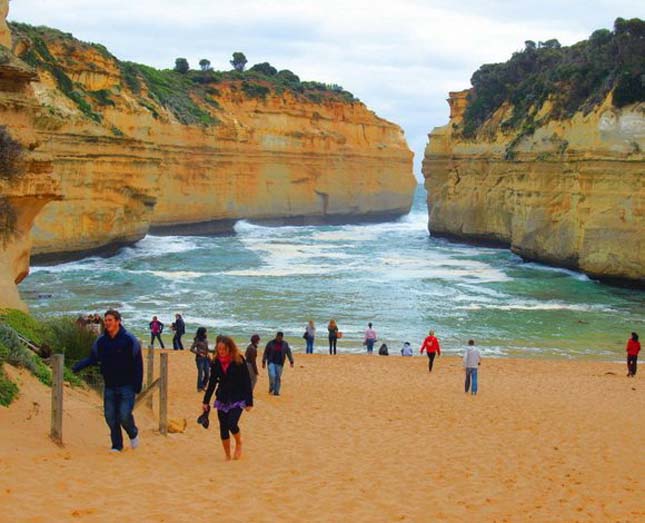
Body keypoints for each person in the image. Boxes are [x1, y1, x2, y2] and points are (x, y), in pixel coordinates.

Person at [72, 309, 143, 452]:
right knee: (110, 417)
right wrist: (76, 367)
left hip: (127, 386)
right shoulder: (101, 341)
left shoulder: (129, 340)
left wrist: (137, 386)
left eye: (110, 320)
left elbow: (138, 363)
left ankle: (133, 433)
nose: (107, 323)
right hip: (110, 385)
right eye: (106, 320)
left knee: (124, 416)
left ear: (118, 322)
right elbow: (93, 358)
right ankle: (117, 445)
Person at [202, 336, 253, 460]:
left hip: (238, 397)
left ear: (229, 348)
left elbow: (247, 381)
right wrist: (206, 401)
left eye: (223, 349)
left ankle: (239, 443)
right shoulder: (216, 362)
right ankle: (227, 455)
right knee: (223, 426)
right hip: (222, 397)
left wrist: (249, 401)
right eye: (219, 349)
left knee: (232, 423)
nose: (221, 352)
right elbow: (212, 382)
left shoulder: (239, 360)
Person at [262, 331, 294, 396]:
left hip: (280, 363)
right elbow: (265, 352)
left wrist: (291, 361)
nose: (279, 339)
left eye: (280, 337)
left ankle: (276, 391)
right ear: (276, 336)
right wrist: (263, 361)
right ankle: (271, 388)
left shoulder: (285, 344)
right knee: (272, 375)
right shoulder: (270, 343)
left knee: (278, 377)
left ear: (282, 337)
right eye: (278, 337)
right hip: (271, 362)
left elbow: (288, 352)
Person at [190, 327, 210, 392]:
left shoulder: (205, 340)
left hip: (206, 358)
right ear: (202, 332)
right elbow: (191, 349)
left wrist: (214, 351)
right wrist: (199, 353)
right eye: (205, 331)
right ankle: (199, 387)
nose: (206, 332)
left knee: (207, 373)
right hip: (199, 359)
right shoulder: (197, 340)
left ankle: (203, 386)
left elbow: (207, 349)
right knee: (200, 373)